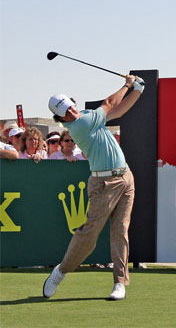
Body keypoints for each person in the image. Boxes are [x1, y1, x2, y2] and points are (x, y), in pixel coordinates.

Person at [43, 75, 145, 301]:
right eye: (65, 112)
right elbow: (110, 103)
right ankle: (61, 271)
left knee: (121, 231)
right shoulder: (79, 125)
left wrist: (138, 90)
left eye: (70, 106)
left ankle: (120, 282)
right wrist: (128, 84)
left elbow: (118, 111)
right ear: (60, 118)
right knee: (89, 235)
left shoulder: (88, 116)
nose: (70, 112)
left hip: (126, 177)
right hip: (104, 184)